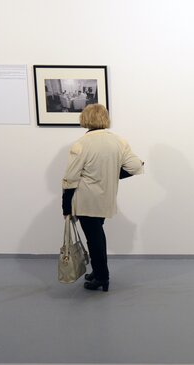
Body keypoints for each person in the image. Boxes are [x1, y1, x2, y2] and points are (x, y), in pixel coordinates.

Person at [61, 104, 144, 291]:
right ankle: (98, 272)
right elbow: (136, 166)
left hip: (85, 199)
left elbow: (70, 177)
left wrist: (66, 206)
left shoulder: (81, 144)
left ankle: (102, 277)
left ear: (85, 118)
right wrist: (113, 174)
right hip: (106, 198)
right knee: (97, 236)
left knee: (94, 238)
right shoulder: (119, 141)